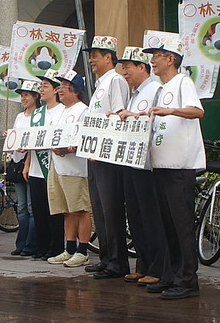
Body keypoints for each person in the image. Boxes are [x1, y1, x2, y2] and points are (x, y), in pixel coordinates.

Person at [142, 36, 205, 300]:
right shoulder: (161, 88)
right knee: (167, 225)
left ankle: (188, 280)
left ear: (171, 59)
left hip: (180, 167)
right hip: (161, 165)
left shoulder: (183, 82)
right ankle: (170, 275)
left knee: (181, 225)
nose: (152, 61)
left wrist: (172, 111)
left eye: (157, 56)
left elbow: (197, 111)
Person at [115, 47, 165, 286]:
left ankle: (157, 267)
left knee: (150, 216)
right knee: (135, 216)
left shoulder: (155, 89)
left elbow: (156, 122)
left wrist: (134, 116)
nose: (124, 72)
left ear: (141, 67)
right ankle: (143, 264)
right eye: (123, 68)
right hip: (130, 161)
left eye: (128, 67)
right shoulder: (134, 94)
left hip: (147, 165)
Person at [82, 36, 130, 279]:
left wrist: (101, 147)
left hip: (108, 157)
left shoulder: (116, 81)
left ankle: (118, 262)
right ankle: (106, 257)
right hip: (94, 156)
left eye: (95, 55)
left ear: (108, 57)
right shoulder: (100, 84)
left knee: (111, 210)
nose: (91, 60)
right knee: (99, 209)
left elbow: (119, 117)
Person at [46, 70, 91, 268]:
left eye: (64, 86)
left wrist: (66, 148)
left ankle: (83, 250)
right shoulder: (61, 111)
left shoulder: (83, 111)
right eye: (60, 86)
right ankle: (70, 248)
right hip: (57, 166)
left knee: (80, 209)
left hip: (75, 169)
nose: (60, 90)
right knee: (65, 211)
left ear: (76, 90)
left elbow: (85, 140)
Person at [25, 69, 65, 260]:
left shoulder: (63, 111)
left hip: (53, 168)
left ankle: (55, 248)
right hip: (35, 168)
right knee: (39, 210)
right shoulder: (37, 114)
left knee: (54, 211)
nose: (41, 89)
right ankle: (41, 247)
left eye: (46, 86)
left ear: (56, 89)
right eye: (41, 86)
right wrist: (27, 165)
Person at [10, 79, 41, 257]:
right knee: (21, 207)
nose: (23, 98)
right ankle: (20, 243)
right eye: (21, 95)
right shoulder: (19, 117)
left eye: (26, 95)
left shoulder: (39, 116)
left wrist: (27, 159)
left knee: (31, 207)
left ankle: (31, 244)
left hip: (31, 163)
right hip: (17, 161)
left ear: (36, 96)